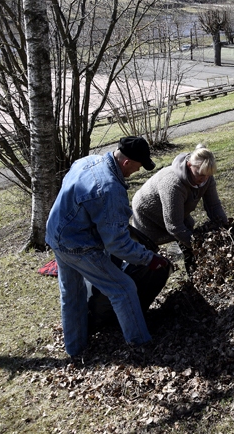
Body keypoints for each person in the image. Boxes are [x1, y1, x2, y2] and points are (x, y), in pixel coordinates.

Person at [46, 136, 171, 357]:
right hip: (78, 246)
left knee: (72, 294)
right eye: (138, 166)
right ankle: (141, 346)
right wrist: (149, 259)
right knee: (123, 288)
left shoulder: (87, 161)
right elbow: (118, 244)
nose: (137, 171)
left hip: (56, 234)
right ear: (126, 162)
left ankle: (76, 350)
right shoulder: (110, 188)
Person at [131, 144, 228, 265]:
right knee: (148, 254)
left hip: (176, 208)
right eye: (201, 174)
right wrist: (200, 246)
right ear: (189, 165)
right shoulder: (173, 184)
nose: (205, 179)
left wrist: (226, 228)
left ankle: (193, 269)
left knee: (188, 236)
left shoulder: (206, 176)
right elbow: (174, 226)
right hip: (148, 214)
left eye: (208, 175)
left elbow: (214, 206)